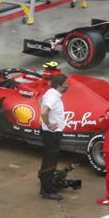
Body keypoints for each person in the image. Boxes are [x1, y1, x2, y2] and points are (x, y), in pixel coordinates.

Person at [39, 73, 69, 201]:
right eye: (66, 84)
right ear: (59, 85)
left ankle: (45, 187)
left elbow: (40, 101)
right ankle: (47, 191)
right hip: (52, 134)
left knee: (49, 161)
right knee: (50, 162)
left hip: (49, 133)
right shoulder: (54, 97)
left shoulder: (50, 92)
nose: (68, 86)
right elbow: (43, 111)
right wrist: (49, 124)